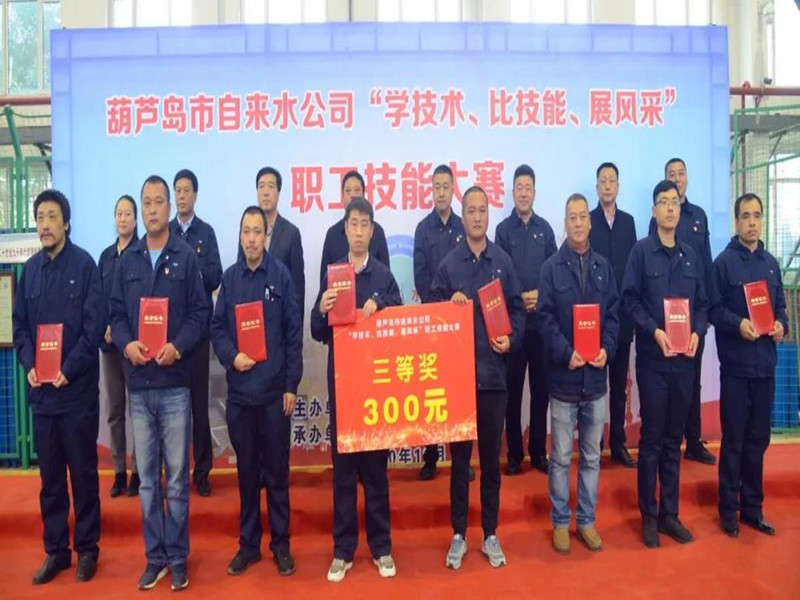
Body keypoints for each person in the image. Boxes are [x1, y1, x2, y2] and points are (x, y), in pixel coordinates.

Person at [111, 175, 209, 590]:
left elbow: (200, 315)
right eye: (146, 203)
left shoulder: (185, 258)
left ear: (170, 208)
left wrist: (178, 346)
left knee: (177, 478)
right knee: (148, 480)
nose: (152, 210)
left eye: (158, 202)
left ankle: (178, 557)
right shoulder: (127, 261)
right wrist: (127, 343)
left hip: (173, 385)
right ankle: (155, 557)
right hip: (139, 385)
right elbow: (116, 315)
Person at [12, 189, 105, 584]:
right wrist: (29, 363)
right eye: (40, 218)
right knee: (49, 480)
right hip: (43, 398)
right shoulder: (29, 272)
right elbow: (20, 327)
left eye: (52, 217)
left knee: (83, 475)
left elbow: (94, 326)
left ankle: (87, 549)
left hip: (77, 393)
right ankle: (56, 551)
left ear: (66, 222)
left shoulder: (85, 266)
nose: (45, 225)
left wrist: (68, 367)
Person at [431, 186, 525, 570]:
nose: (476, 217)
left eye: (481, 211)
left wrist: (511, 339)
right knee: (459, 465)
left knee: (490, 462)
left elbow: (517, 311)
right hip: (458, 382)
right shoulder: (448, 265)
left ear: (488, 215)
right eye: (470, 211)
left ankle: (489, 533)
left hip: (493, 379)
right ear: (463, 215)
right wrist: (446, 305)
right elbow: (432, 320)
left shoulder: (502, 262)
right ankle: (458, 534)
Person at [311, 197, 402, 583]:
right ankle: (343, 550)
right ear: (345, 229)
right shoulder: (335, 274)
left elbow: (399, 318)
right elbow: (317, 332)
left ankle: (381, 546)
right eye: (354, 224)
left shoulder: (383, 275)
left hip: (376, 387)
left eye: (366, 225)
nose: (360, 231)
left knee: (377, 472)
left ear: (372, 230)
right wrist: (322, 307)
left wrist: (379, 304)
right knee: (344, 474)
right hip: (343, 387)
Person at [212, 206, 303, 576]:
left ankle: (281, 545)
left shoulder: (280, 276)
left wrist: (291, 386)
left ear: (266, 236)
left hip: (273, 396)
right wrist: (232, 356)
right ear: (240, 236)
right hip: (240, 396)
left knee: (277, 474)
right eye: (246, 232)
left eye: (257, 232)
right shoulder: (230, 279)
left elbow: (293, 333)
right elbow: (217, 329)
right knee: (247, 474)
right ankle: (248, 545)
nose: (251, 239)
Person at [623, 180, 708, 549]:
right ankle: (649, 514)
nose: (671, 208)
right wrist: (654, 330)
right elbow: (629, 301)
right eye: (664, 202)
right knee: (653, 438)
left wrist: (698, 332)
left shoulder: (691, 256)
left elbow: (702, 304)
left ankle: (670, 514)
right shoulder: (641, 253)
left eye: (675, 202)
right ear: (654, 210)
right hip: (654, 361)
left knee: (674, 439)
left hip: (684, 363)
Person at [537, 193, 620, 554]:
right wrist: (565, 352)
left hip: (596, 382)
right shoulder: (551, 268)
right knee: (559, 458)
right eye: (572, 217)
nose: (578, 223)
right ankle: (560, 521)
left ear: (590, 221)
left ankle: (586, 521)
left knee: (591, 457)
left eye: (583, 217)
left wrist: (607, 349)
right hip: (564, 380)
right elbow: (545, 319)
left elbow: (613, 316)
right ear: (565, 223)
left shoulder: (604, 267)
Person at [709, 193, 787, 538]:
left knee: (759, 440)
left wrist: (782, 324)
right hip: (737, 368)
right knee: (735, 441)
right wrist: (738, 323)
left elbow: (780, 307)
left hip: (765, 367)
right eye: (746, 216)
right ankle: (729, 509)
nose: (752, 222)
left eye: (757, 216)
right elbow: (713, 310)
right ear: (736, 221)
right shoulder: (723, 264)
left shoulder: (771, 264)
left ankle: (753, 508)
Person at [649, 158, 715, 466]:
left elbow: (707, 265)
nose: (677, 178)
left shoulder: (698, 216)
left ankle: (694, 439)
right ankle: (670, 439)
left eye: (681, 174)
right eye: (671, 175)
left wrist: (704, 318)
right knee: (667, 390)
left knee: (693, 380)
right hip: (665, 322)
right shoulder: (656, 223)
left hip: (692, 319)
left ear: (687, 179)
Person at [495, 164, 557, 476]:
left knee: (541, 391)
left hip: (541, 323)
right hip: (514, 324)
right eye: (518, 188)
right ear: (513, 192)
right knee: (513, 392)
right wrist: (521, 297)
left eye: (528, 188)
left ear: (534, 192)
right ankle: (515, 454)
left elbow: (555, 270)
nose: (523, 193)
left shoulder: (545, 229)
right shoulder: (503, 230)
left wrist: (539, 295)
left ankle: (537, 452)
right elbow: (499, 273)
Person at [170, 168, 223, 496]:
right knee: (174, 408)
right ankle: (175, 471)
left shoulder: (206, 232)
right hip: (171, 337)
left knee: (199, 406)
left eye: (186, 190)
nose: (181, 195)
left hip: (199, 334)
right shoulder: (165, 232)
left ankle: (202, 472)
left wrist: (189, 265)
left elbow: (216, 276)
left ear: (195, 195)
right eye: (177, 190)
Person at [413, 163, 465, 481]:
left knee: (457, 391)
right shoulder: (423, 229)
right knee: (431, 389)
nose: (442, 192)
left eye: (446, 186)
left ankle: (460, 459)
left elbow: (469, 272)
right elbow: (420, 275)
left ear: (453, 189)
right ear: (431, 190)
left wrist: (455, 311)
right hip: (433, 322)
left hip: (459, 325)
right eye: (437, 186)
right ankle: (430, 456)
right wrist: (441, 306)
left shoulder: (463, 226)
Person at [588, 162, 638, 468]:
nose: (607, 185)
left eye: (612, 181)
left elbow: (633, 269)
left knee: (619, 386)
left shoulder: (628, 222)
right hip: (593, 320)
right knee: (595, 388)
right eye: (603, 181)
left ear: (618, 186)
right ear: (597, 187)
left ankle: (618, 444)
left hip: (622, 317)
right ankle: (594, 446)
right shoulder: (588, 220)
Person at [98, 194, 141, 498]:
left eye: (128, 214)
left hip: (134, 346)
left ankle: (138, 471)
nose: (123, 219)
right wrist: (106, 327)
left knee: (138, 410)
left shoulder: (141, 253)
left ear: (136, 220)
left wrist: (123, 331)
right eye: (119, 213)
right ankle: (118, 471)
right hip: (108, 346)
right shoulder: (105, 257)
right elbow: (98, 298)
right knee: (114, 410)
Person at [318, 170, 390, 285]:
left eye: (357, 190)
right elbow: (324, 280)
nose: (352, 195)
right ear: (342, 197)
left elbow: (386, 276)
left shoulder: (377, 232)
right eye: (348, 191)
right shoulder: (332, 234)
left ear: (364, 195)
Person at [253, 167, 305, 323]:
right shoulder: (248, 232)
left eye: (271, 186)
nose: (266, 192)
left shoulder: (291, 233)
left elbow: (297, 290)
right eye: (261, 187)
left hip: (280, 321)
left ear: (278, 193)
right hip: (253, 319)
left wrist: (295, 327)